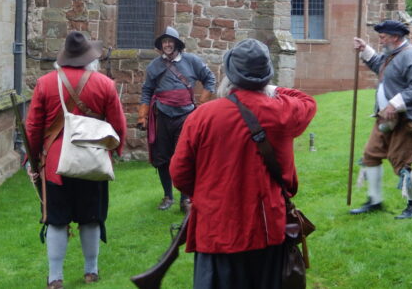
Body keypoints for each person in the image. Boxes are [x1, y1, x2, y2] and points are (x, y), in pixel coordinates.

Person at [170, 39, 317, 289]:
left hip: (216, 229)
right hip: (267, 229)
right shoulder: (282, 112)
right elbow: (306, 101)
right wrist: (271, 88)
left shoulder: (201, 116)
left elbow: (180, 174)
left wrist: (209, 194)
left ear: (230, 75)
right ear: (266, 76)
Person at [26, 31, 127, 288]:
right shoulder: (105, 84)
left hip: (54, 166)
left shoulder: (45, 83)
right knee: (91, 217)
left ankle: (55, 277)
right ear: (88, 58)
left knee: (57, 220)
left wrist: (32, 160)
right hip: (92, 161)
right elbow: (117, 125)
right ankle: (91, 271)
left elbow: (33, 128)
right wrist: (115, 152)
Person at [349, 20, 412, 219]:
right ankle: (375, 201)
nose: (380, 39)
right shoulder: (391, 54)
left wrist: (395, 104)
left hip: (407, 119)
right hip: (384, 118)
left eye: (383, 36)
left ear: (394, 37)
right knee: (371, 155)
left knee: (402, 162)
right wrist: (365, 50)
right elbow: (380, 66)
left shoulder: (411, 56)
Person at [136, 27, 216, 212]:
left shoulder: (192, 61)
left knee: (184, 157)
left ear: (177, 44)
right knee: (163, 158)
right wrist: (142, 116)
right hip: (162, 116)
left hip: (186, 116)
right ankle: (167, 196)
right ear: (161, 45)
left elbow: (209, 80)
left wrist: (201, 105)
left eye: (170, 41)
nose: (167, 44)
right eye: (164, 42)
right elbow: (147, 91)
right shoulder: (154, 66)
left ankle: (185, 199)